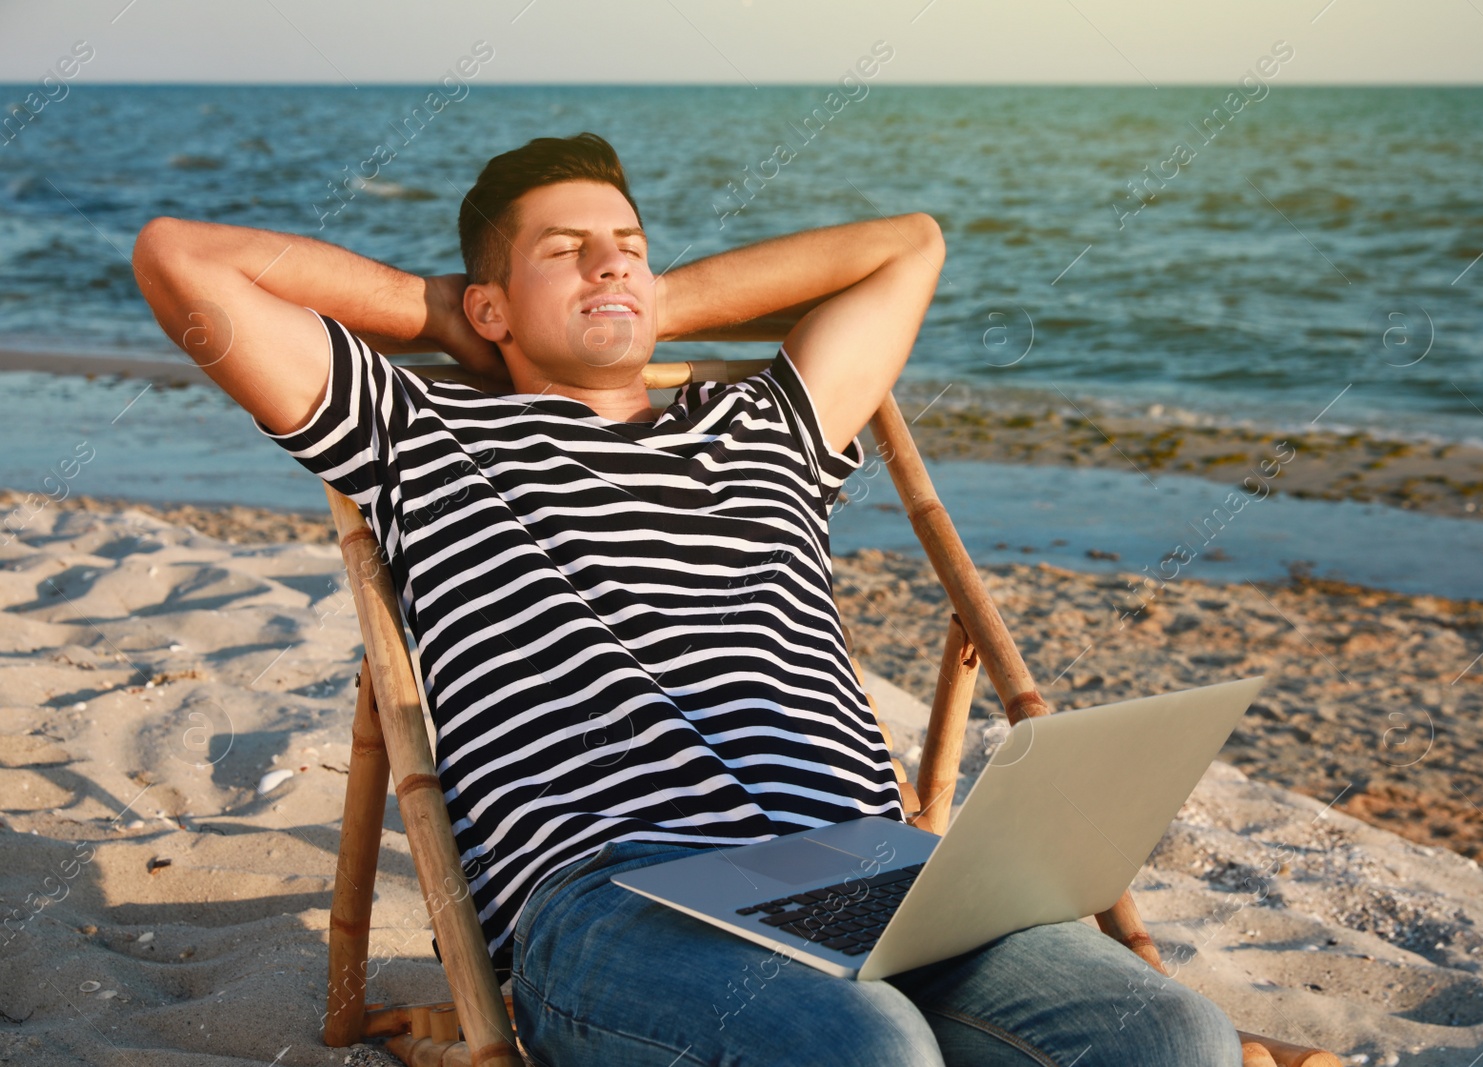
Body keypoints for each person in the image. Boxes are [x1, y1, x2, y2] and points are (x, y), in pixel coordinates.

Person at [132, 132, 1242, 1066]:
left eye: (631, 249)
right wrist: (452, 318)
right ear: (489, 302)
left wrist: (635, 298)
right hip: (621, 891)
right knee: (863, 1046)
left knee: (1169, 1028)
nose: (610, 266)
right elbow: (181, 258)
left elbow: (909, 245)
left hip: (872, 869)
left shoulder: (767, 427)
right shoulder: (425, 433)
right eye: (566, 252)